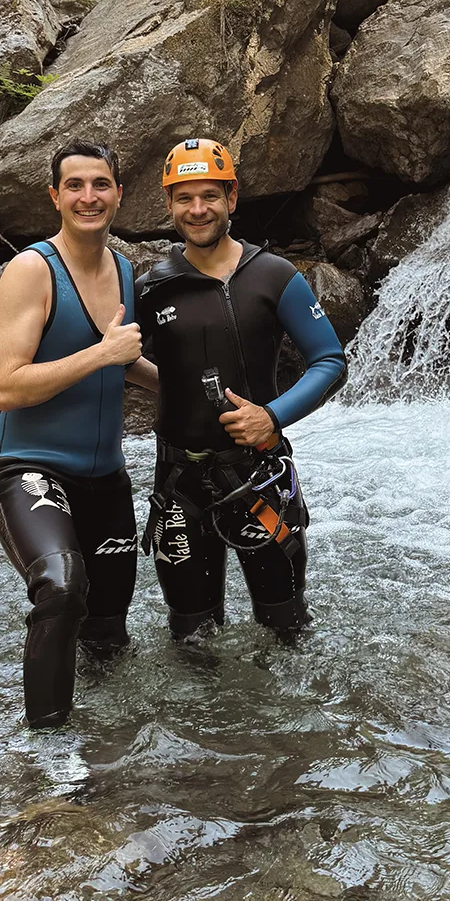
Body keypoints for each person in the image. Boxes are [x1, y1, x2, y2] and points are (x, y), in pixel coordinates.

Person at [136, 138, 346, 641]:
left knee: (287, 630)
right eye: (184, 198)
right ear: (168, 205)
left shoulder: (273, 275)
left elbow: (331, 361)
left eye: (210, 195)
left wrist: (271, 417)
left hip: (260, 478)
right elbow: (117, 361)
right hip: (179, 481)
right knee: (191, 637)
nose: (197, 209)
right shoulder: (150, 288)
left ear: (232, 198)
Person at [0, 140, 158, 729]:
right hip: (30, 467)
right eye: (76, 185)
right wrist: (103, 352)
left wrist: (195, 397)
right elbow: (7, 387)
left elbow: (123, 362)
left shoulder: (126, 271)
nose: (90, 197)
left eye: (101, 185)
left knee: (108, 626)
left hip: (105, 479)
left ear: (118, 193)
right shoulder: (32, 270)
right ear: (55, 196)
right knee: (60, 588)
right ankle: (49, 754)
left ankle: (115, 744)